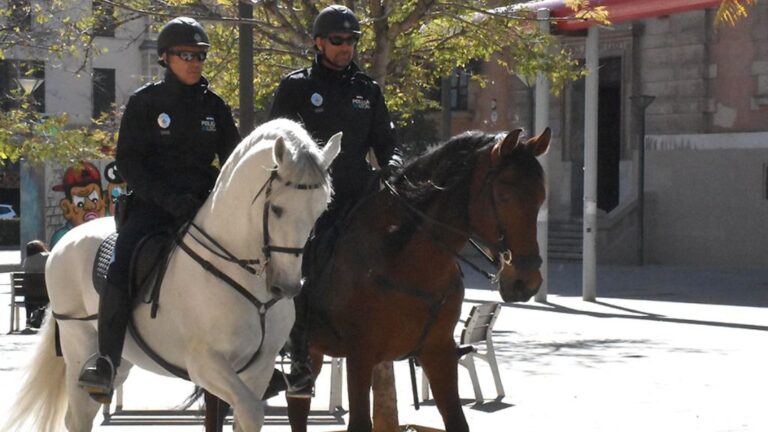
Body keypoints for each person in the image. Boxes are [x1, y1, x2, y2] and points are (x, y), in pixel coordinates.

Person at [77, 16, 241, 403]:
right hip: (153, 209)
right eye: (186, 54)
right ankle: (106, 360)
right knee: (120, 265)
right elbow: (130, 164)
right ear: (165, 57)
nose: (194, 61)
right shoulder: (145, 102)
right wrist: (169, 199)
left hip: (204, 211)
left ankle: (259, 359)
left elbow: (233, 161)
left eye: (200, 54)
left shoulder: (215, 107)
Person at [268, 4, 401, 398]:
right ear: (319, 43)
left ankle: (414, 336)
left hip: (358, 202)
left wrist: (391, 166)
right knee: (301, 271)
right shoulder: (295, 87)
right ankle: (299, 361)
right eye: (338, 41)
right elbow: (274, 144)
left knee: (408, 246)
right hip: (310, 207)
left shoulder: (367, 90)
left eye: (352, 41)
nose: (347, 48)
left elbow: (389, 147)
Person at [21, 240, 49, 332]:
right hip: (46, 294)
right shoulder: (47, 256)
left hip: (30, 295)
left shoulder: (27, 261)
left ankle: (28, 319)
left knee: (28, 296)